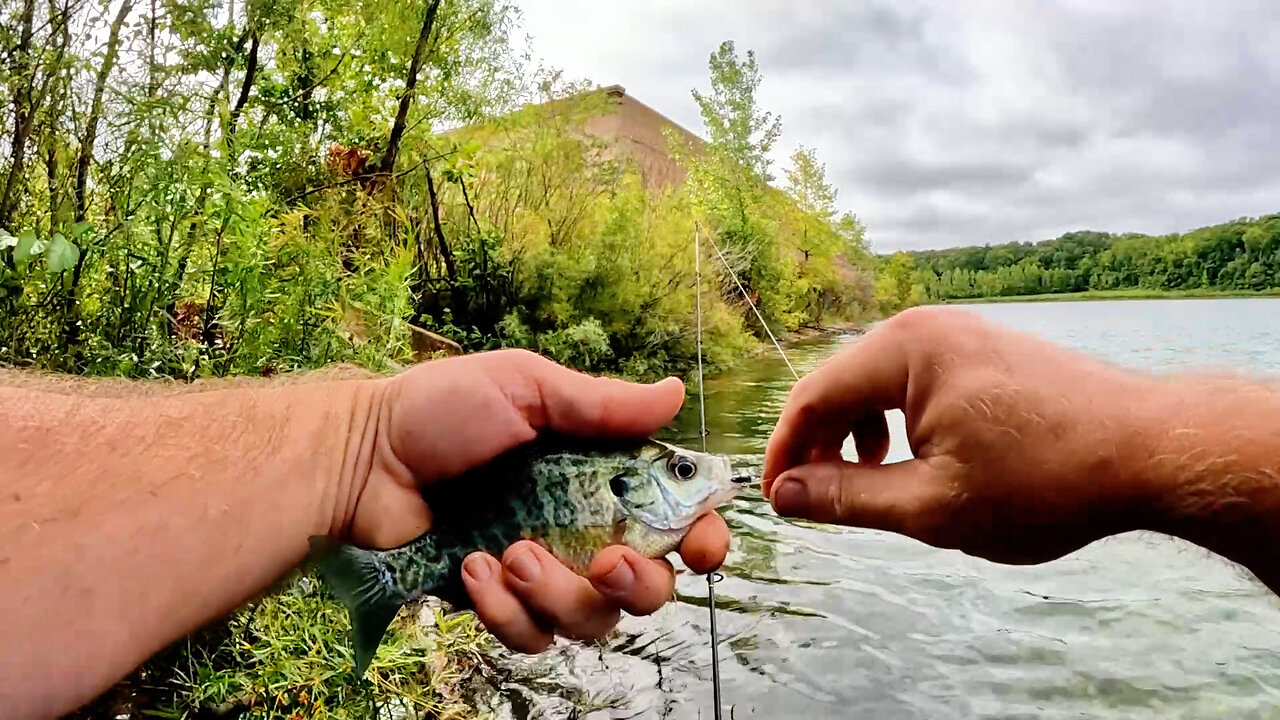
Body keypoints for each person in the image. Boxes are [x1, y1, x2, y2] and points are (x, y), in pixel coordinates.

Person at [3, 305, 1279, 718]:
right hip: (443, 529)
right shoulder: (609, 494)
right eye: (672, 475)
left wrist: (358, 448)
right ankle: (375, 595)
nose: (692, 486)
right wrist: (358, 450)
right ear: (634, 481)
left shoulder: (642, 508)